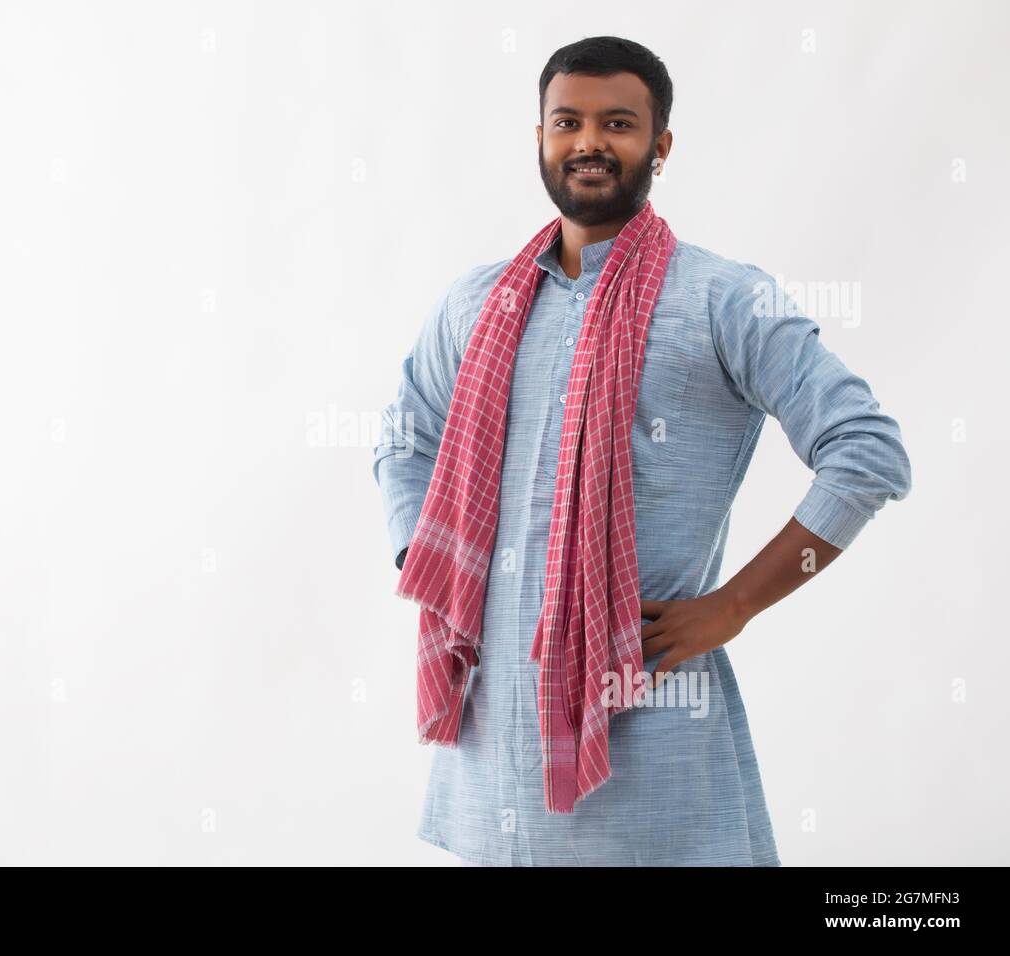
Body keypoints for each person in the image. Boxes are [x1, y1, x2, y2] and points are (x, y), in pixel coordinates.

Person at [371, 36, 912, 866]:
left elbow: (866, 452)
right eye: (568, 122)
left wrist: (731, 607)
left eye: (618, 123)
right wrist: (434, 557)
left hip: (650, 737)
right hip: (489, 748)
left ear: (659, 145)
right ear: (541, 138)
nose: (590, 142)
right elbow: (407, 434)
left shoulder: (722, 299)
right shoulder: (475, 302)